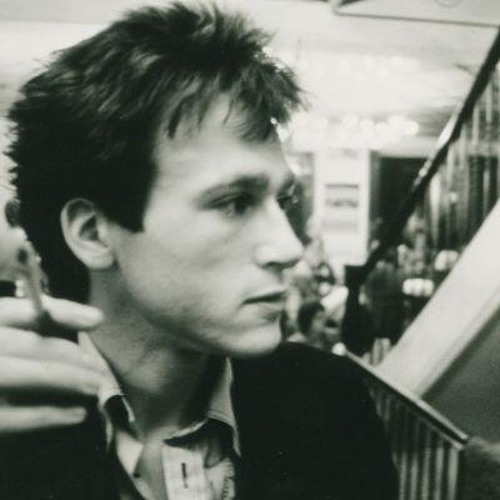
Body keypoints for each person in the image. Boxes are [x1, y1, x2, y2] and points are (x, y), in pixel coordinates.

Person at [0, 3, 397, 499]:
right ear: (94, 232)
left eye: (283, 202)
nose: (289, 247)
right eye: (234, 203)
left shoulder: (329, 398)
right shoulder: (14, 420)